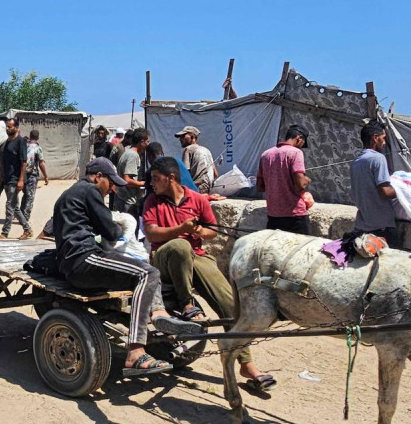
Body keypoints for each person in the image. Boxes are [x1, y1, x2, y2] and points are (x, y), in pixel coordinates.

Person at [52, 157, 200, 377]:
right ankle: (136, 350)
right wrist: (119, 226)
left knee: (144, 269)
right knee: (147, 272)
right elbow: (111, 232)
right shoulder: (89, 191)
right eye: (111, 183)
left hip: (74, 259)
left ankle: (159, 314)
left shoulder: (71, 194)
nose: (112, 189)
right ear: (98, 177)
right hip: (82, 258)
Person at [143, 157, 274, 392]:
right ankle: (186, 304)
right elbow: (152, 234)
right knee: (180, 245)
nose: (152, 183)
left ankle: (246, 364)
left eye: (155, 178)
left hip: (196, 256)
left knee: (230, 304)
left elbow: (212, 231)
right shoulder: (152, 201)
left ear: (171, 178)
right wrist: (182, 229)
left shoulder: (197, 200)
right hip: (164, 258)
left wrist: (199, 231)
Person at [349, 122, 401, 247]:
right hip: (381, 227)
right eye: (383, 138)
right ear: (375, 138)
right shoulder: (378, 158)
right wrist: (405, 189)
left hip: (362, 226)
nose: (384, 142)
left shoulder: (356, 162)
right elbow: (385, 192)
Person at [256, 124, 311, 234]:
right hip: (294, 216)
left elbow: (260, 187)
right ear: (299, 138)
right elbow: (300, 185)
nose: (301, 147)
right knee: (300, 245)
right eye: (303, 143)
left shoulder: (266, 154)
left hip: (273, 215)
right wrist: (307, 180)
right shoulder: (296, 152)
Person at [0, 119, 32, 239]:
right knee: (14, 206)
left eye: (10, 127)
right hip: (7, 178)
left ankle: (5, 232)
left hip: (15, 178)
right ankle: (27, 229)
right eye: (7, 127)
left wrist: (21, 180)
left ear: (16, 127)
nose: (8, 129)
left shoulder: (20, 142)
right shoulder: (7, 142)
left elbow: (24, 162)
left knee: (9, 206)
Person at [114, 128, 149, 218]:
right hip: (127, 201)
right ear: (142, 142)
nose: (148, 144)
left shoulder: (128, 152)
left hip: (122, 198)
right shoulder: (133, 155)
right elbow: (127, 180)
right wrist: (144, 184)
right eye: (147, 142)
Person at [176, 125, 217, 194]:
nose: (180, 139)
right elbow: (215, 174)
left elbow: (185, 173)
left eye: (183, 136)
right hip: (208, 189)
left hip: (197, 189)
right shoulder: (206, 150)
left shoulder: (188, 149)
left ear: (192, 137)